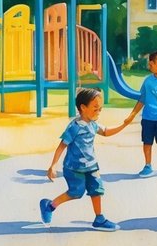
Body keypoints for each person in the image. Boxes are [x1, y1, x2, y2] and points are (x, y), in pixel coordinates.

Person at [41, 88, 133, 231]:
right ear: (83, 108)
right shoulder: (74, 127)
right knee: (76, 193)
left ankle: (99, 219)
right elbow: (62, 146)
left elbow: (106, 131)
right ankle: (50, 205)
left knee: (97, 190)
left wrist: (124, 124)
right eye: (95, 108)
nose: (98, 111)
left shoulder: (92, 124)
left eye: (100, 109)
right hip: (74, 168)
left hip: (91, 166)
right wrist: (53, 165)